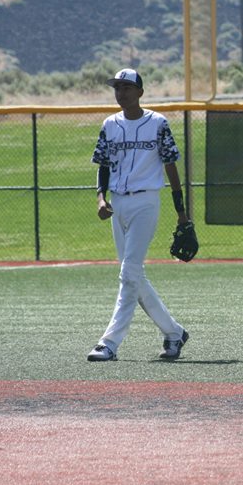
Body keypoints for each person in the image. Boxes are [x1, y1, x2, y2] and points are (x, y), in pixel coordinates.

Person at [86, 68, 190, 361]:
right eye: (117, 88)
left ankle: (109, 343)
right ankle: (174, 333)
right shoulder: (109, 124)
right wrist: (100, 199)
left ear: (140, 93)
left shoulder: (157, 123)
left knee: (128, 272)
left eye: (127, 88)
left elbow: (171, 166)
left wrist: (181, 211)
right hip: (118, 203)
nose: (121, 93)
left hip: (146, 202)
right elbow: (103, 164)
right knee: (134, 276)